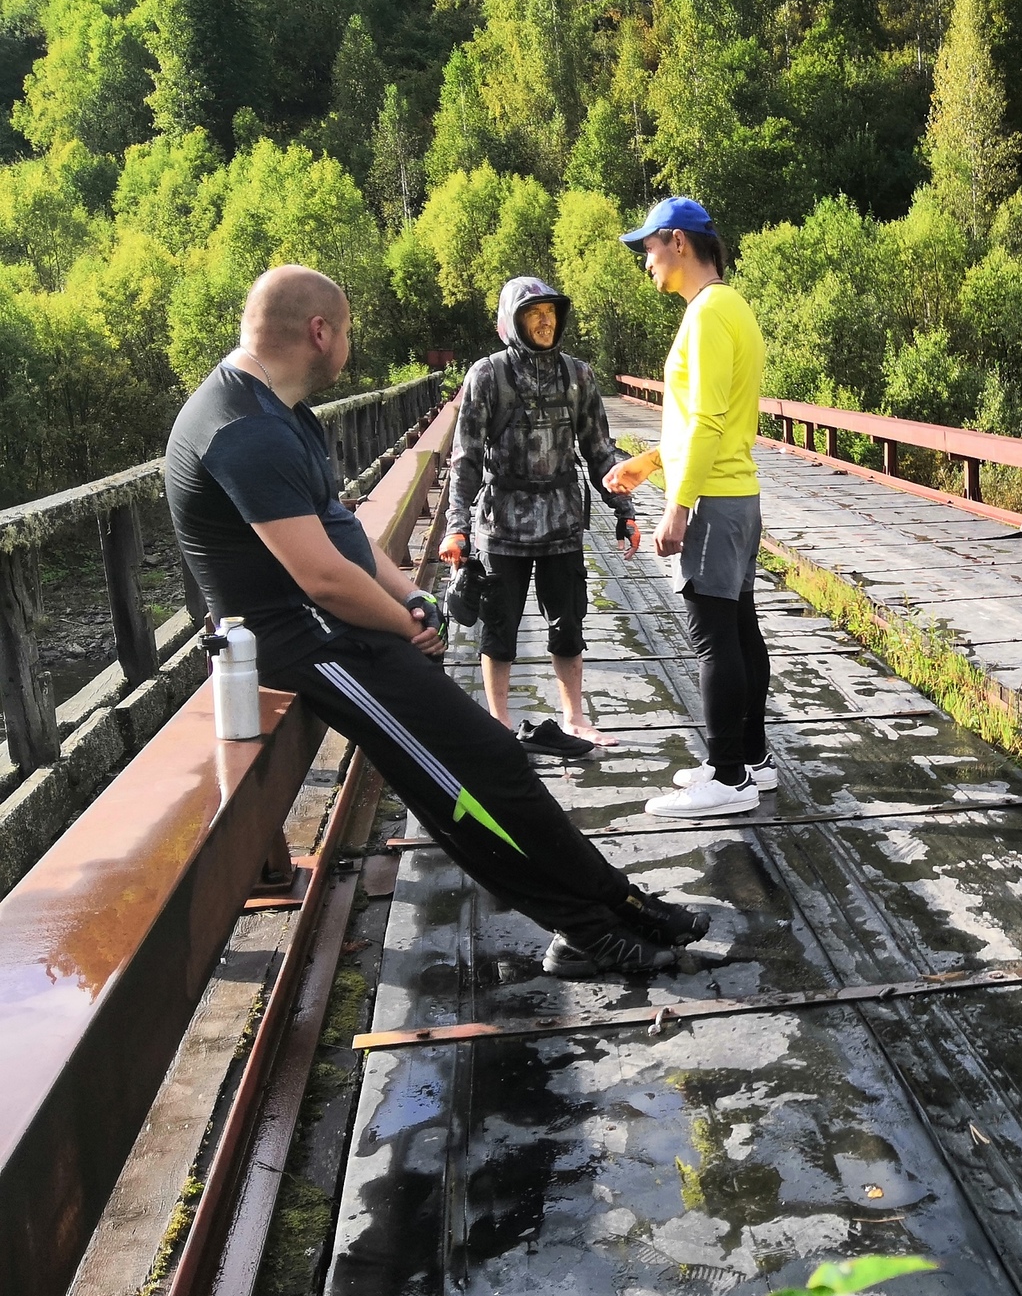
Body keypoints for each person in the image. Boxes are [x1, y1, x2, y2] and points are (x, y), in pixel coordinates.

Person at [165, 265, 706, 978]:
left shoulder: (278, 412)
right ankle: (585, 930)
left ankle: (617, 902)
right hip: (306, 646)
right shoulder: (241, 429)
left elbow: (343, 533)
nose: (349, 344)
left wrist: (411, 605)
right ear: (318, 332)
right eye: (349, 330)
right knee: (457, 789)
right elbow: (320, 576)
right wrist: (396, 618)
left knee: (497, 763)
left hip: (338, 632)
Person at [612, 197, 774, 818]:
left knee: (714, 638)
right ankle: (750, 761)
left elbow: (707, 419)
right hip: (736, 492)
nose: (645, 261)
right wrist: (649, 463)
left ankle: (728, 778)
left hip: (714, 499)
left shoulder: (707, 315)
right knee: (737, 627)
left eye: (648, 247)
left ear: (678, 242)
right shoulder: (728, 307)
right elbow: (708, 420)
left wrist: (677, 507)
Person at [440, 277, 639, 757]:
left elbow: (599, 451)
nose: (546, 319)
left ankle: (575, 718)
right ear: (512, 324)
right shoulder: (487, 376)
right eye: (534, 312)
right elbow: (465, 457)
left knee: (568, 623)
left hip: (562, 522)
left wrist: (624, 509)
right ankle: (499, 724)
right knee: (499, 627)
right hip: (501, 526)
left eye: (550, 310)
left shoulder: (578, 376)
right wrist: (456, 526)